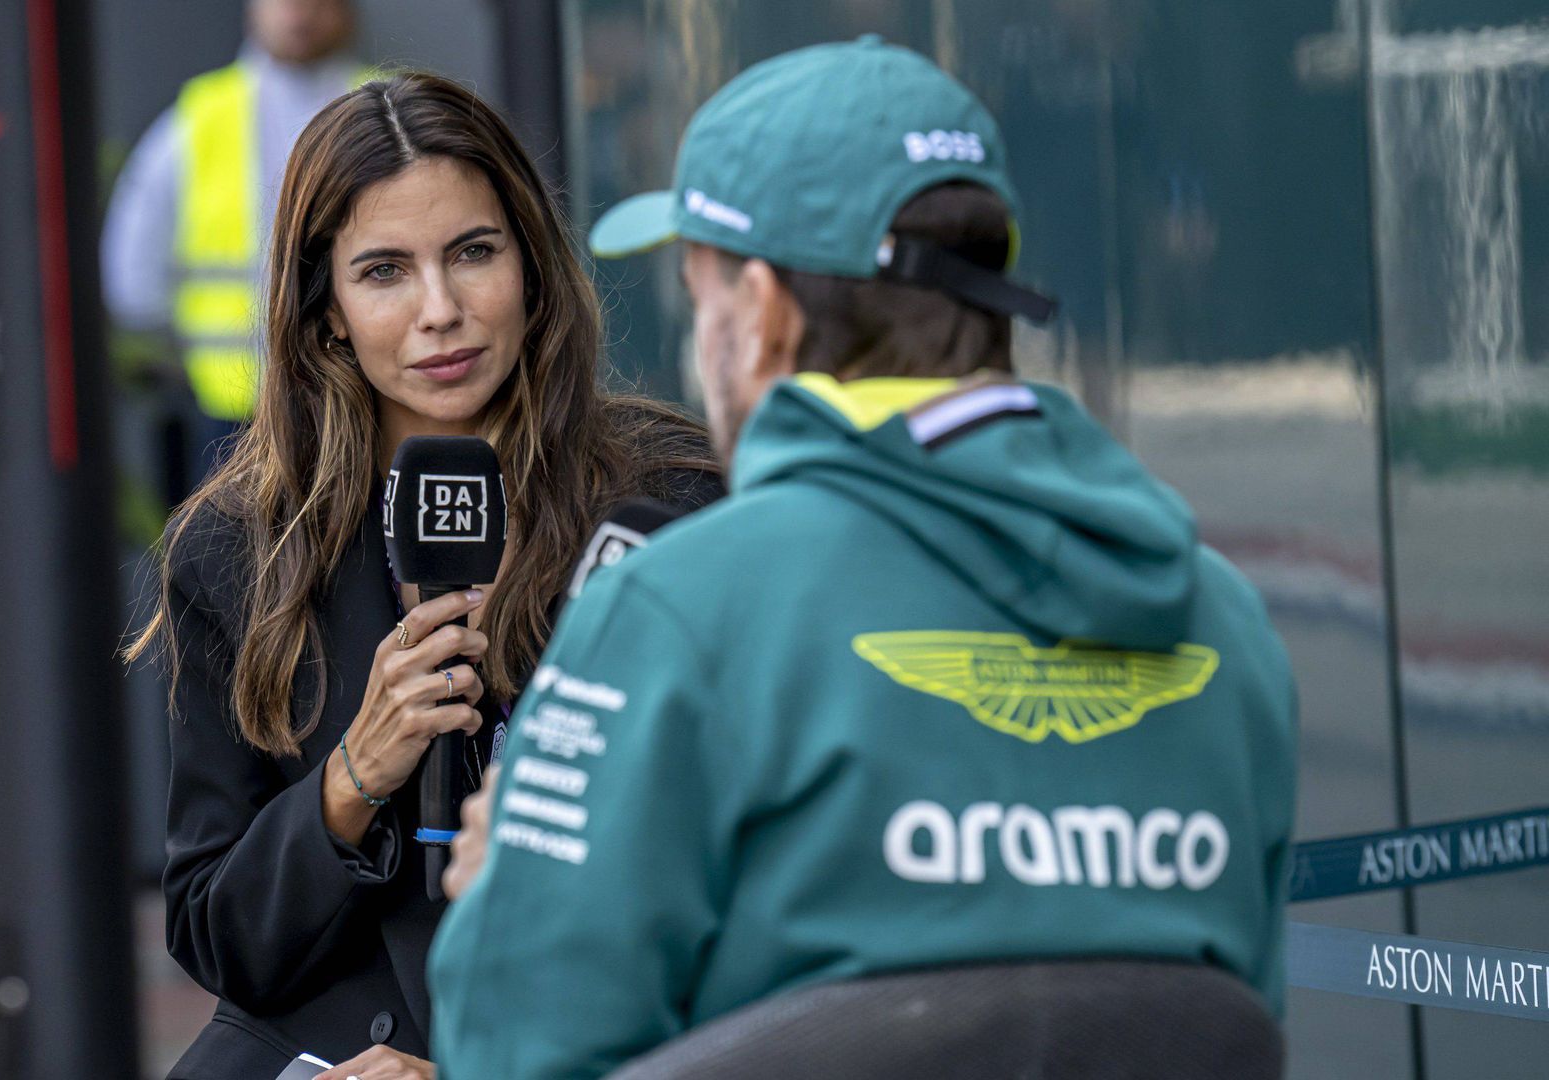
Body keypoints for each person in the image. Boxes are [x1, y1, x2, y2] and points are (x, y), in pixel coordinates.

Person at [427, 37, 1297, 1079]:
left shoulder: (675, 615)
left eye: (702, 301)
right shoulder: (1227, 625)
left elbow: (515, 1051)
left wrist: (499, 900)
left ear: (762, 314)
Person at [125, 71, 721, 1080]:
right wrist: (354, 776)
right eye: (385, 272)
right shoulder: (236, 548)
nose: (440, 311)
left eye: (473, 254)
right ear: (327, 315)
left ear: (531, 269)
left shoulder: (668, 499)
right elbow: (215, 931)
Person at [102, 0, 373, 438]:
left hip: (360, 401)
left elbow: (135, 287)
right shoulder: (200, 119)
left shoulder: (389, 107)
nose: (298, 11)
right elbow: (133, 283)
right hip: (234, 412)